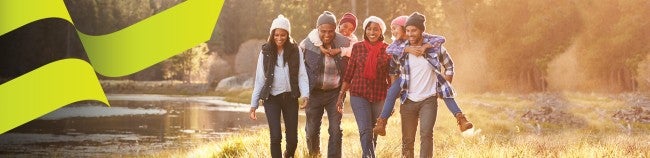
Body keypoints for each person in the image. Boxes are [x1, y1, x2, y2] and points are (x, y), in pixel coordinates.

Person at [372, 16, 474, 136]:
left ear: (405, 29)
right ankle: (382, 122)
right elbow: (390, 51)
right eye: (392, 29)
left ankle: (461, 118)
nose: (393, 32)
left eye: (395, 28)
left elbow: (440, 39)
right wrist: (407, 49)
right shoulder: (398, 44)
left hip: (430, 76)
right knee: (391, 92)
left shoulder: (423, 39)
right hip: (405, 78)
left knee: (446, 92)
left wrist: (425, 46)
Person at [249, 15, 309, 158]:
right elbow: (259, 79)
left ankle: (287, 155)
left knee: (293, 140)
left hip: (290, 98)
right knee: (275, 137)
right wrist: (253, 104)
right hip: (271, 99)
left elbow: (302, 74)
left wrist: (305, 95)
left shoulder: (296, 50)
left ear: (288, 34)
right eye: (276, 34)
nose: (279, 38)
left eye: (283, 34)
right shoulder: (265, 52)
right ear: (272, 34)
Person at [336, 16, 391, 158]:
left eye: (376, 29)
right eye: (369, 29)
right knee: (365, 130)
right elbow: (349, 73)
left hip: (379, 96)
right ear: (365, 30)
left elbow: (390, 78)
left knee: (374, 132)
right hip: (358, 94)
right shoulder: (357, 47)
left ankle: (367, 155)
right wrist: (341, 95)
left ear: (381, 32)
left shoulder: (388, 50)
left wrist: (391, 103)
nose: (372, 32)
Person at [300, 11, 350, 158]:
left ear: (335, 29)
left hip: (335, 93)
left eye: (330, 31)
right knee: (312, 130)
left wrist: (341, 95)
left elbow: (350, 68)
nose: (327, 35)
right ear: (317, 29)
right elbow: (300, 70)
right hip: (314, 93)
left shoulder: (344, 43)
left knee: (335, 129)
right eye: (323, 31)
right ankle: (314, 155)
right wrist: (304, 93)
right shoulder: (307, 44)